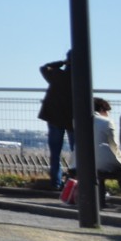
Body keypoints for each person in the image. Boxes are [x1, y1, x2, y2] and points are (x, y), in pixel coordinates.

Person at [38, 53, 74, 190]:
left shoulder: (57, 75)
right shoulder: (81, 78)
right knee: (76, 152)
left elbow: (44, 68)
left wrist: (61, 63)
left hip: (54, 117)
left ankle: (56, 182)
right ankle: (74, 180)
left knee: (55, 153)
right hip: (72, 119)